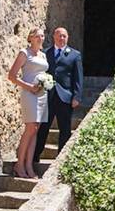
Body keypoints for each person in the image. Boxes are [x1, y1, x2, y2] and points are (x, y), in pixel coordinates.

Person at [33, 27, 83, 168]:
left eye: (64, 36)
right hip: (48, 97)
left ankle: (61, 160)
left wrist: (77, 96)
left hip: (65, 97)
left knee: (65, 129)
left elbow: (78, 78)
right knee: (43, 128)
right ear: (54, 37)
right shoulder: (45, 53)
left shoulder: (74, 55)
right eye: (59, 36)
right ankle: (35, 155)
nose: (62, 39)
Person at [6, 27, 48, 179]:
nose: (40, 38)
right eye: (37, 36)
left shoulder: (43, 55)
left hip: (42, 95)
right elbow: (12, 76)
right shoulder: (25, 53)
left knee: (35, 129)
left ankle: (29, 165)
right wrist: (29, 87)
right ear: (30, 38)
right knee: (30, 127)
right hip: (29, 93)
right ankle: (19, 164)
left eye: (42, 36)